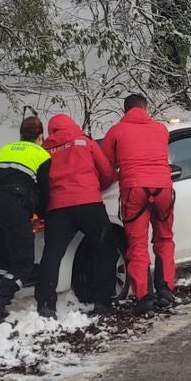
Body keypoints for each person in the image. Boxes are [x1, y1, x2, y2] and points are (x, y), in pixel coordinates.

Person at [35, 113, 116, 318]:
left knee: (52, 255)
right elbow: (106, 170)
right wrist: (96, 187)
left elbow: (40, 180)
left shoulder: (44, 150)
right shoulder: (84, 141)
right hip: (88, 202)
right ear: (72, 124)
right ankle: (102, 301)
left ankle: (46, 304)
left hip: (58, 207)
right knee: (105, 248)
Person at [101, 94, 174, 315]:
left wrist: (104, 184)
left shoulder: (116, 131)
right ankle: (166, 289)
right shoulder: (161, 129)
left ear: (125, 110)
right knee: (164, 238)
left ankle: (144, 297)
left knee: (137, 244)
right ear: (146, 107)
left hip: (135, 190)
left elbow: (106, 168)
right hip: (163, 188)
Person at [0, 116, 51, 326]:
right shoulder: (42, 154)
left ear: (20, 134)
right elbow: (43, 191)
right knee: (23, 263)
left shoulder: (6, 149)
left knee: (6, 259)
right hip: (13, 207)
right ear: (40, 136)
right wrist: (44, 215)